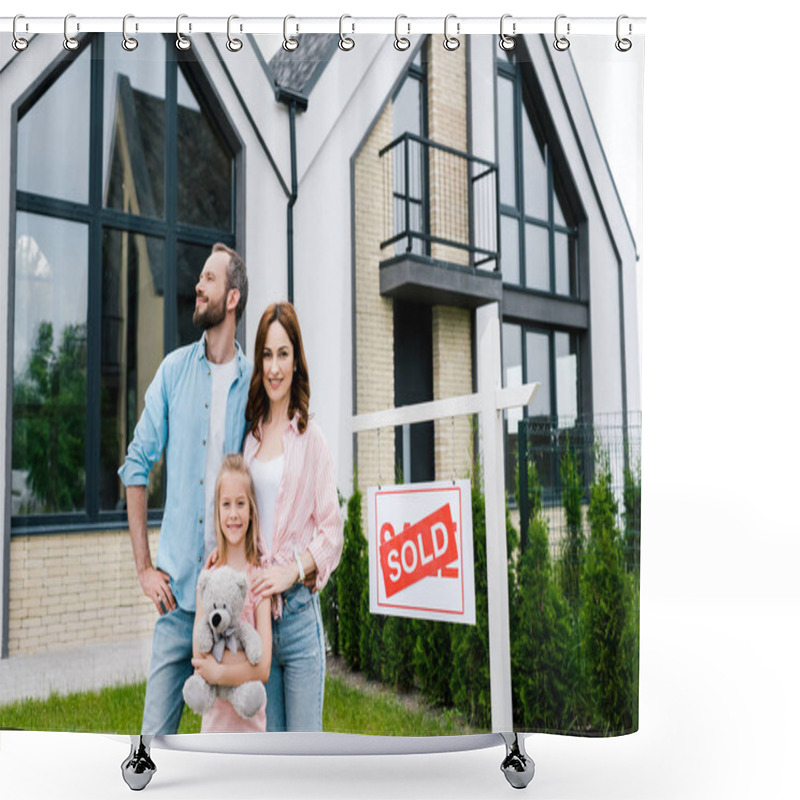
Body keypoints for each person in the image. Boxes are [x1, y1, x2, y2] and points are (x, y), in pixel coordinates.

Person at [118, 243, 251, 735]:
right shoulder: (174, 372)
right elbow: (135, 466)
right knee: (150, 745)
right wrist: (144, 568)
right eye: (200, 278)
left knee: (235, 749)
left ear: (232, 297)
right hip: (176, 604)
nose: (198, 286)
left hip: (235, 602)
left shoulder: (253, 384)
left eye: (209, 280)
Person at [244, 301, 343, 731]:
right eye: (267, 354)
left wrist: (294, 570)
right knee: (269, 758)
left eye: (283, 354)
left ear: (296, 361)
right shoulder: (249, 436)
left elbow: (332, 531)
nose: (274, 367)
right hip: (258, 619)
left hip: (300, 620)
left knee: (305, 759)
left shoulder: (311, 437)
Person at [191, 454, 271, 733]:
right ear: (217, 512)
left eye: (240, 504)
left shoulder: (259, 578)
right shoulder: (210, 573)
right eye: (226, 504)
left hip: (251, 728)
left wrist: (221, 672)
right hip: (214, 728)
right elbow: (200, 655)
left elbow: (263, 668)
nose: (234, 514)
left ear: (251, 510)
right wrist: (241, 664)